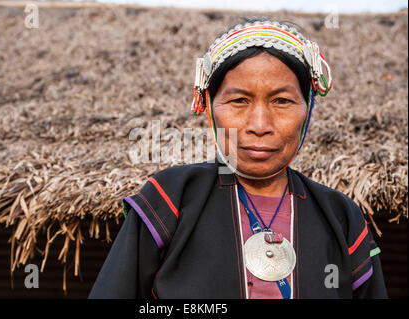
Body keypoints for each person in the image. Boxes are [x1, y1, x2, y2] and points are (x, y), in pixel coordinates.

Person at [89, 18, 387, 299]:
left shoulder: (341, 218)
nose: (259, 125)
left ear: (306, 110)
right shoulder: (170, 201)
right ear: (209, 106)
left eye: (282, 101)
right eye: (239, 101)